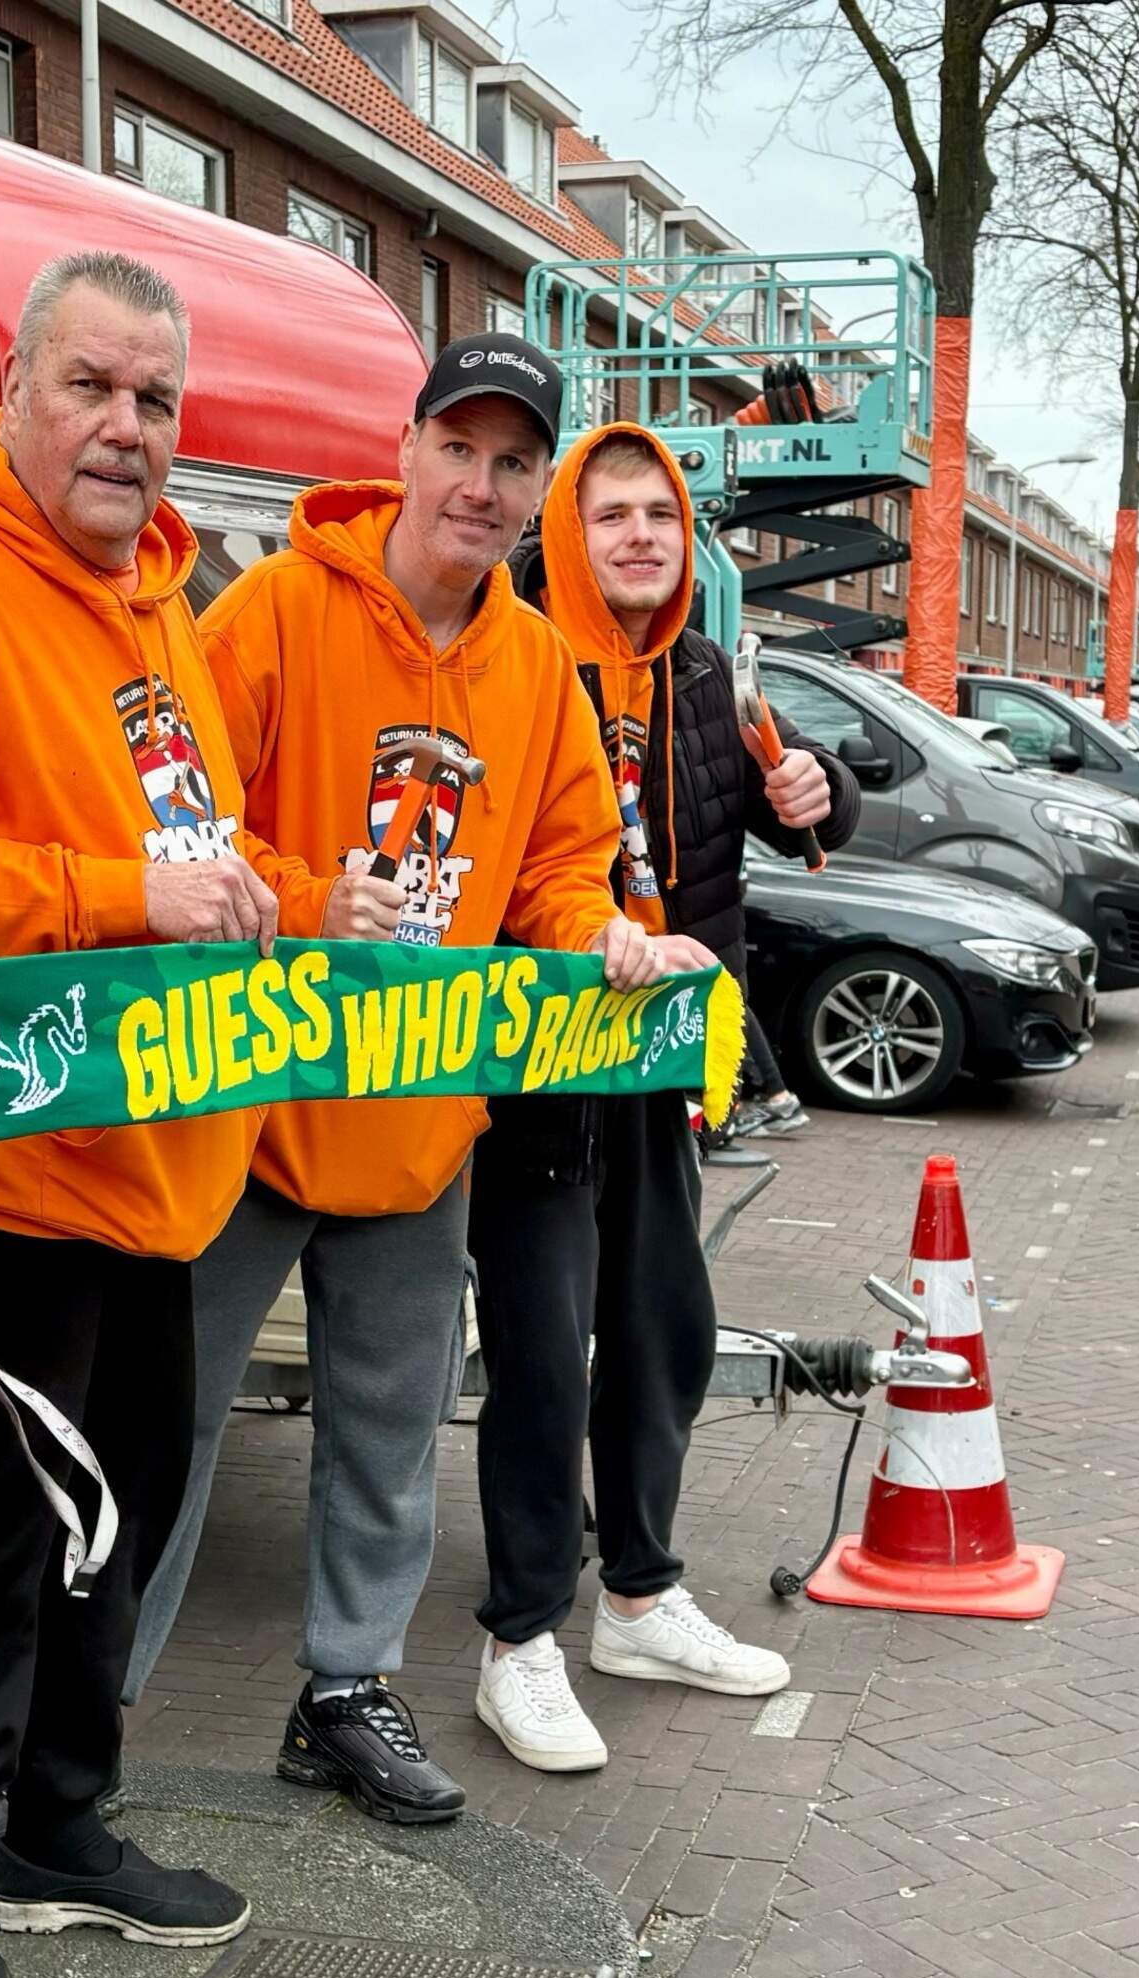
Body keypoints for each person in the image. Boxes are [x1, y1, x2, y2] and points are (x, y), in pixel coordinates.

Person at [0, 249, 387, 1978]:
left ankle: (54, 1824)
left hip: (163, 1168)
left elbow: (198, 836)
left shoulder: (165, 598)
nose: (125, 430)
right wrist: (124, 897)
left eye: (155, 402)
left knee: (128, 1521)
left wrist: (314, 894)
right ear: (17, 384)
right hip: (10, 1179)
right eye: (91, 387)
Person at [127, 333, 694, 1824]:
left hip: (418, 1125)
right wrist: (307, 894)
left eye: (516, 464)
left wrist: (609, 941)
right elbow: (182, 816)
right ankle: (89, 1712)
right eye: (463, 448)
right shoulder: (273, 612)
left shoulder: (537, 672)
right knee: (165, 1429)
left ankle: (346, 1691)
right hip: (237, 1114)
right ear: (409, 447)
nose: (485, 485)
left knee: (387, 1429)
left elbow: (561, 870)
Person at [463, 420, 859, 1773]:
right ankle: (520, 1639)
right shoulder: (506, 659)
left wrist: (819, 788)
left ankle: (639, 1598)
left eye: (663, 516)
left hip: (662, 1068)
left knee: (660, 1334)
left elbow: (804, 806)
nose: (640, 535)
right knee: (534, 1354)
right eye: (611, 512)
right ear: (563, 531)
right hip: (534, 1066)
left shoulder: (706, 674)